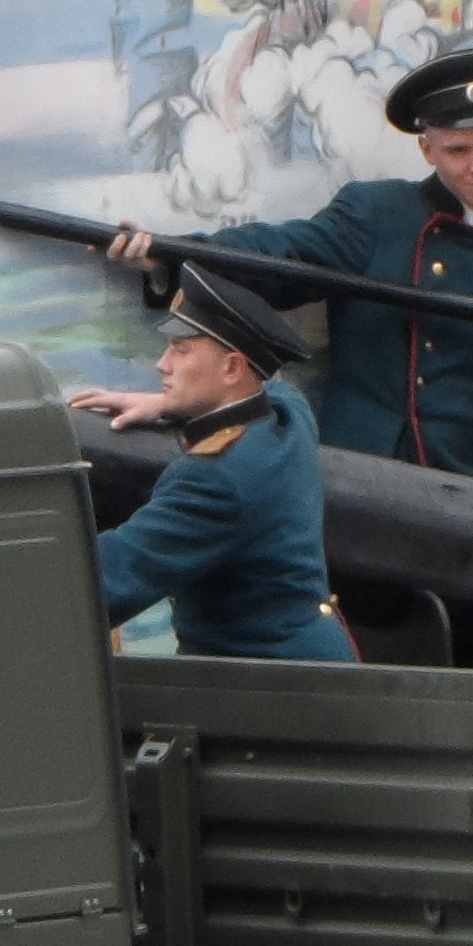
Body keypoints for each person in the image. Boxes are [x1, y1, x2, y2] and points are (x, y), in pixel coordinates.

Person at [93, 49, 473, 473]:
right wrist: (167, 254)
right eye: (458, 151)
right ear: (428, 150)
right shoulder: (378, 214)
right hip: (360, 474)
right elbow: (279, 256)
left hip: (459, 482)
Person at [67, 264, 357, 660]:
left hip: (262, 680)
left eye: (181, 349)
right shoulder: (290, 418)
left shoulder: (215, 479)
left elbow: (109, 580)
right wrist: (168, 403)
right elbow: (274, 389)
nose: (163, 364)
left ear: (232, 367)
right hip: (319, 654)